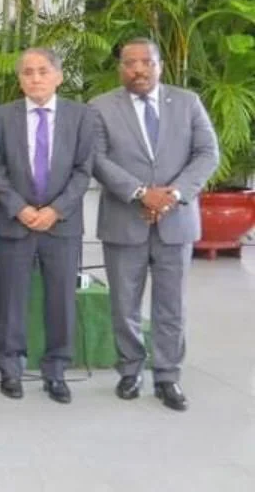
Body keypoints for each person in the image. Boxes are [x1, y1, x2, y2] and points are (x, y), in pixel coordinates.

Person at [90, 38, 219, 412]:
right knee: (124, 303)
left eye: (146, 62)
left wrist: (173, 194)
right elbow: (96, 158)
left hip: (175, 221)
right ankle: (130, 371)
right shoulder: (99, 108)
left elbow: (207, 153)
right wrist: (140, 192)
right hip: (123, 219)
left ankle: (167, 376)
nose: (139, 69)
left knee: (170, 305)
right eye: (130, 63)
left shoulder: (187, 102)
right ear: (120, 69)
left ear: (160, 65)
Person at [0, 48, 96, 404]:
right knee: (12, 300)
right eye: (28, 72)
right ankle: (11, 368)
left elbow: (84, 170)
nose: (35, 78)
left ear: (59, 76)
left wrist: (55, 210)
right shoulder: (1, 117)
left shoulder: (80, 116)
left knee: (61, 300)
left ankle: (56, 371)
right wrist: (19, 208)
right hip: (15, 223)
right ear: (19, 79)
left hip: (61, 225)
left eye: (43, 71)